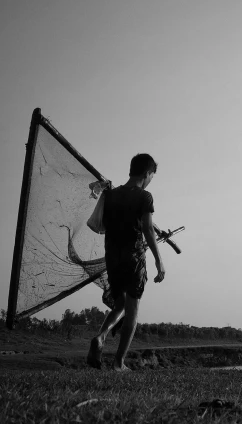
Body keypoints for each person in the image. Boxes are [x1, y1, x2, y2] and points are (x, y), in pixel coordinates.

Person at [86, 153, 168, 371]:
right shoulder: (145, 196)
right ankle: (118, 363)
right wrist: (159, 260)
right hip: (134, 257)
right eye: (152, 176)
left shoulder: (111, 194)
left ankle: (101, 337)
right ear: (147, 173)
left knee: (120, 304)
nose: (151, 180)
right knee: (132, 311)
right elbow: (148, 229)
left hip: (112, 256)